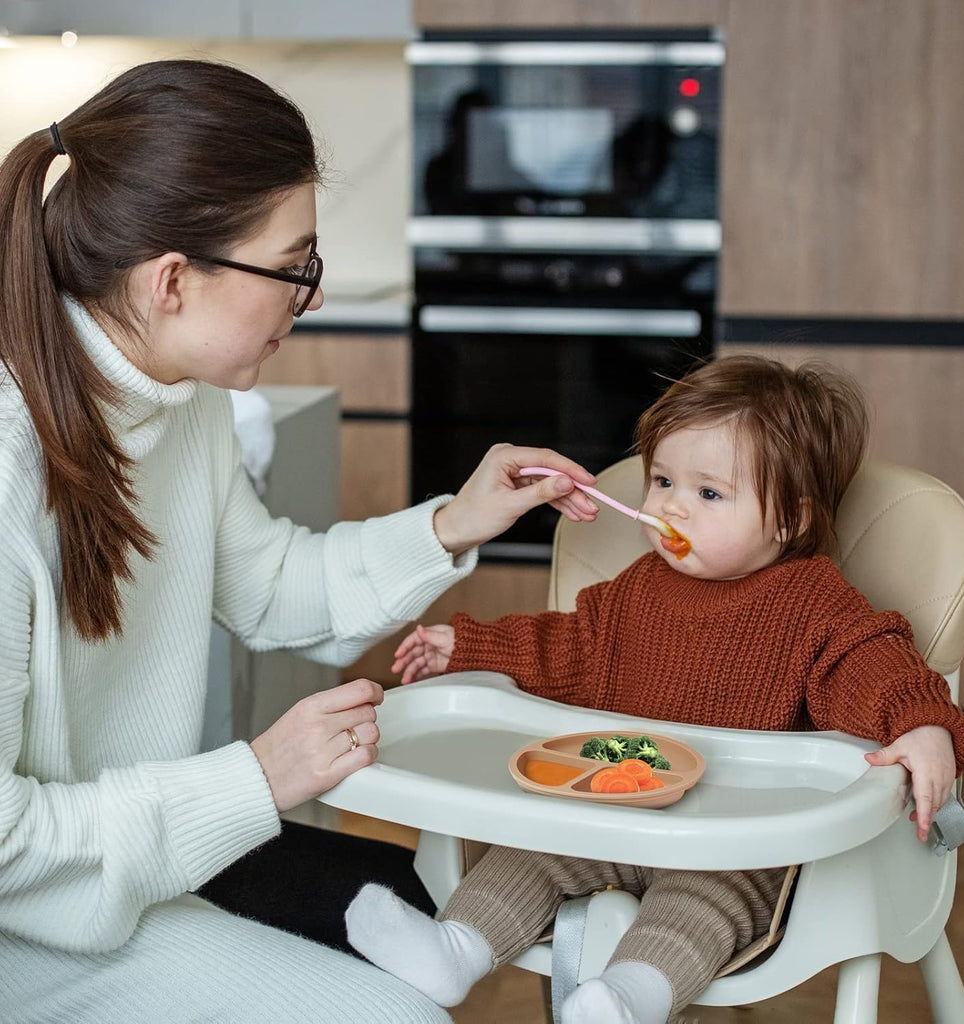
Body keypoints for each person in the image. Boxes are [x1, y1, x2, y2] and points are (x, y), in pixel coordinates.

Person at [0, 58, 601, 1024]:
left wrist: (458, 520)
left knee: (414, 915)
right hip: (24, 925)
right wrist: (259, 778)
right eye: (293, 267)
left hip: (111, 881)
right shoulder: (7, 468)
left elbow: (271, 587)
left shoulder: (182, 402)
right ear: (171, 282)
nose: (308, 297)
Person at [344, 355, 964, 1024]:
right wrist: (468, 646)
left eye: (708, 494)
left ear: (788, 520)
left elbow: (873, 665)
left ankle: (627, 999)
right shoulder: (639, 588)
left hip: (730, 844)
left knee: (701, 906)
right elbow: (567, 648)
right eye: (663, 480)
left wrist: (922, 724)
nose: (671, 505)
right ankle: (455, 949)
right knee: (525, 855)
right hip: (609, 814)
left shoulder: (813, 604)